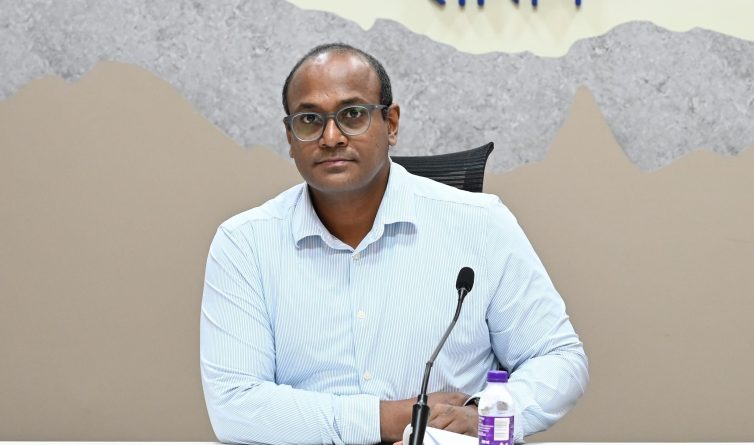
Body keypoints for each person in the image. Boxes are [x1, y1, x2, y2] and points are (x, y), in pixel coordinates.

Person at [200, 43, 588, 445]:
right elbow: (235, 405)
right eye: (310, 120)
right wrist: (390, 419)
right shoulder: (245, 244)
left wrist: (483, 417)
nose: (331, 137)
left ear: (391, 124)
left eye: (352, 114)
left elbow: (558, 358)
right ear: (290, 136)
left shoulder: (481, 224)